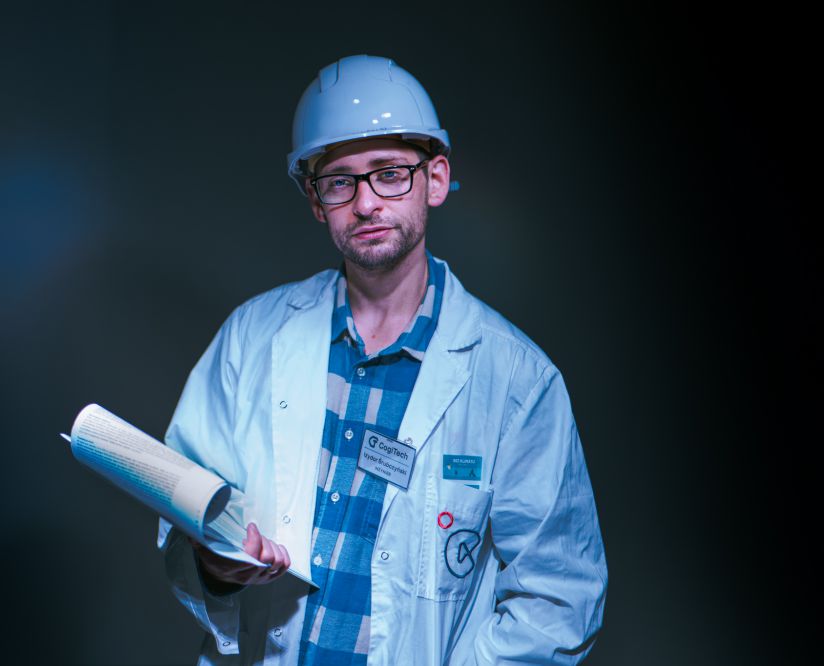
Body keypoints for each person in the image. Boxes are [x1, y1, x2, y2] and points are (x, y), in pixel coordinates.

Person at [158, 54, 607, 665]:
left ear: (436, 179)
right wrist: (215, 564)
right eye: (339, 181)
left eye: (390, 174)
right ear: (316, 200)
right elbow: (188, 508)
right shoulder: (252, 336)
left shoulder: (518, 380)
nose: (365, 203)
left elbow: (559, 598)